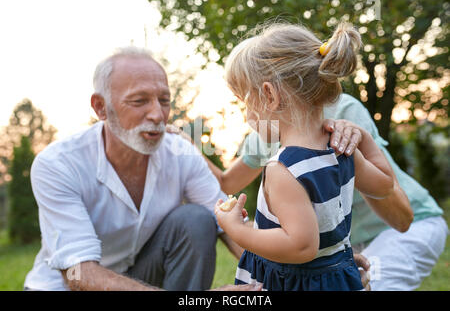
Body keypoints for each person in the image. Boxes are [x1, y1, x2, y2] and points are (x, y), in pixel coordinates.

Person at [195, 48, 448, 291]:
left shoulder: (288, 163)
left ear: (269, 95)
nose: (246, 115)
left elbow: (302, 245)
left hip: (402, 231)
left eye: (246, 102)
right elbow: (383, 183)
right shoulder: (331, 145)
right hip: (334, 255)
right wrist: (190, 146)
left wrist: (236, 230)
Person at [23, 47, 258, 291]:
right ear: (101, 107)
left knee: (196, 220)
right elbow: (78, 274)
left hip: (136, 277)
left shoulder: (180, 152)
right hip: (65, 287)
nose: (158, 114)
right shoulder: (58, 163)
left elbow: (229, 226)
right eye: (139, 101)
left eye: (164, 101)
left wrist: (286, 274)